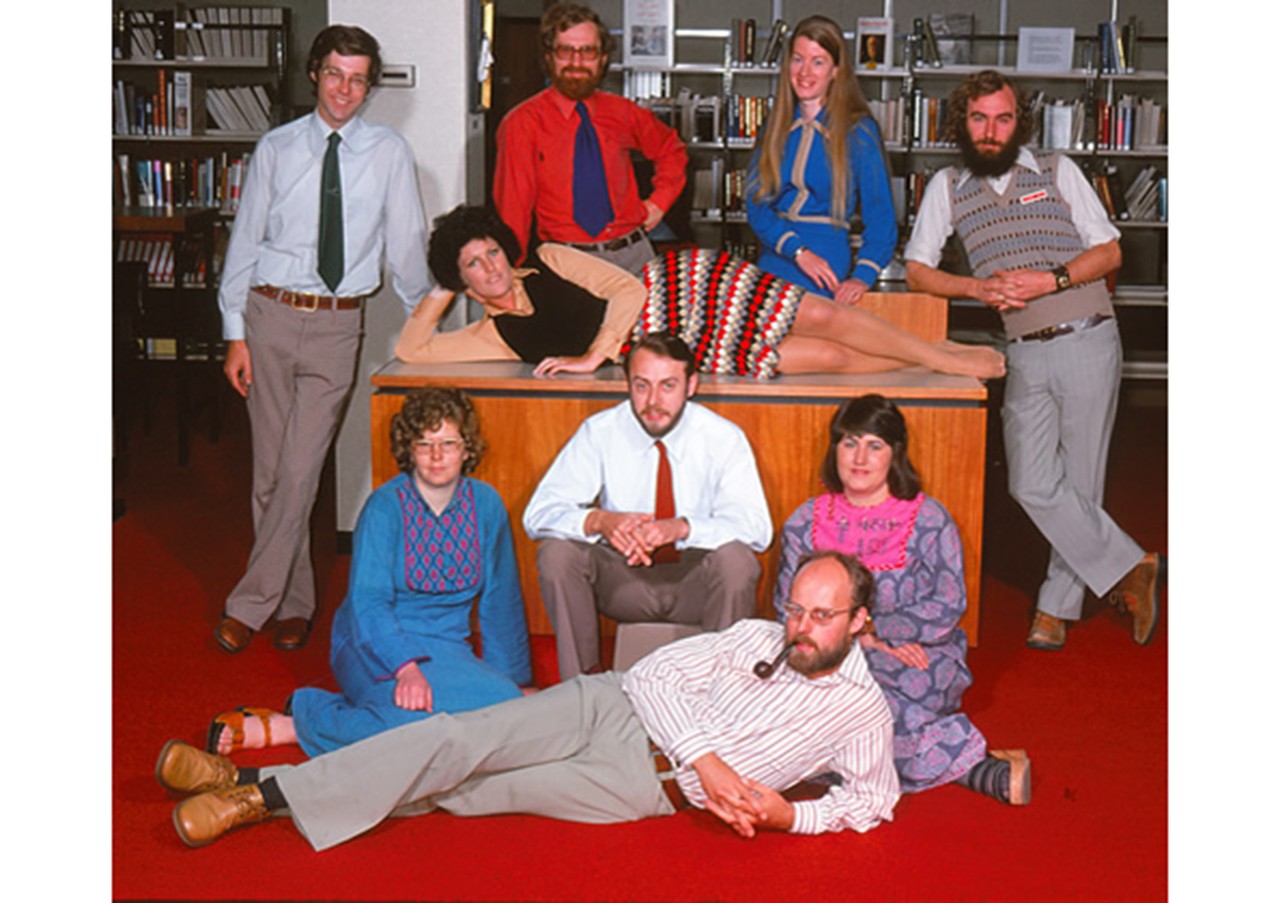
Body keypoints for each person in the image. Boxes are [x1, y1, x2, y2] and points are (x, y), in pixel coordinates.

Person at [155, 552, 899, 850]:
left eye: (821, 617)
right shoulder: (754, 634)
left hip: (639, 788)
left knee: (462, 790)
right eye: (796, 608)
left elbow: (872, 799)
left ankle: (251, 783)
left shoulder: (863, 714)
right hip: (610, 708)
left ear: (860, 621)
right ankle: (254, 797)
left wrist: (787, 814)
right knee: (451, 742)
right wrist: (706, 760)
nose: (798, 628)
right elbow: (652, 677)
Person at [902, 70, 1164, 651]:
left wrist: (1052, 279)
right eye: (979, 119)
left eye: (1002, 118)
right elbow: (918, 268)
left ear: (1019, 122)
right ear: (961, 123)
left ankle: (1055, 607)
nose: (991, 131)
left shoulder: (1057, 169)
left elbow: (1109, 249)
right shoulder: (947, 186)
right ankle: (1131, 563)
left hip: (1088, 335)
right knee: (1030, 482)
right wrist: (976, 289)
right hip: (1021, 348)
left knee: (1081, 478)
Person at [214, 25, 432, 653]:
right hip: (269, 315)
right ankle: (294, 604)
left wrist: (427, 328)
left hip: (339, 323)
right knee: (269, 472)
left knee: (301, 469)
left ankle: (248, 604)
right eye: (335, 74)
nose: (345, 89)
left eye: (358, 78)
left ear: (370, 85)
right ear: (315, 73)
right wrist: (235, 334)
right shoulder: (278, 148)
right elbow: (246, 244)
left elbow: (406, 246)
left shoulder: (389, 152)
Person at [205, 388, 531, 759]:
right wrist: (405, 668)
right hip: (374, 643)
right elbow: (368, 602)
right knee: (411, 724)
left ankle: (355, 719)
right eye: (424, 444)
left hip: (449, 647)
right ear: (409, 450)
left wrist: (514, 683)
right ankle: (300, 722)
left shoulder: (486, 504)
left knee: (508, 718)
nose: (437, 456)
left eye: (449, 443)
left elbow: (501, 600)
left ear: (467, 448)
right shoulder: (384, 507)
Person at [774, 395, 1029, 805]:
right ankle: (966, 765)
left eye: (875, 445)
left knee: (872, 701)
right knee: (819, 694)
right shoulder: (805, 522)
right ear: (834, 449)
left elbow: (948, 604)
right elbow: (787, 606)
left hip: (918, 652)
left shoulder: (929, 519)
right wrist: (858, 640)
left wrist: (881, 634)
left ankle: (833, 766)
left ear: (895, 454)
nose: (859, 458)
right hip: (829, 652)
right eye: (849, 443)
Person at [523, 334, 772, 679]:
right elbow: (538, 514)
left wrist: (683, 527)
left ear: (691, 384)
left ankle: (721, 687)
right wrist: (598, 521)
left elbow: (757, 529)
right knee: (556, 554)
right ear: (627, 383)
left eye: (668, 385)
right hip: (624, 580)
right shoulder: (600, 431)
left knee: (737, 562)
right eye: (641, 386)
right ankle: (581, 687)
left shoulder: (723, 438)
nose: (653, 401)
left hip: (695, 583)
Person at [493, 2, 687, 275]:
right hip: (565, 264)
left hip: (634, 257)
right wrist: (510, 278)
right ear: (549, 56)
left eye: (588, 51)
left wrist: (659, 203)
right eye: (565, 50)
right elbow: (513, 213)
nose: (576, 62)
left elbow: (671, 149)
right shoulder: (522, 124)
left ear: (603, 58)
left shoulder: (624, 112)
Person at [632, 246, 1004, 379]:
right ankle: (934, 354)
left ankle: (949, 362)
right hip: (646, 334)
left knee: (827, 319)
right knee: (828, 356)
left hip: (667, 290)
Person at [747, 15, 897, 306]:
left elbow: (881, 216)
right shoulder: (775, 124)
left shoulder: (859, 131)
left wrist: (862, 275)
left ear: (836, 71)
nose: (804, 71)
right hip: (776, 253)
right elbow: (755, 204)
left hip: (826, 259)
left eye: (818, 62)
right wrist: (798, 251)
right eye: (798, 59)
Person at [395, 205, 646, 377]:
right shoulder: (492, 336)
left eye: (493, 252)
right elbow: (411, 350)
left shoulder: (550, 258)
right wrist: (446, 285)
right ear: (461, 281)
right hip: (635, 374)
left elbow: (629, 289)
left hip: (666, 315)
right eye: (473, 263)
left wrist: (594, 356)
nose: (490, 267)